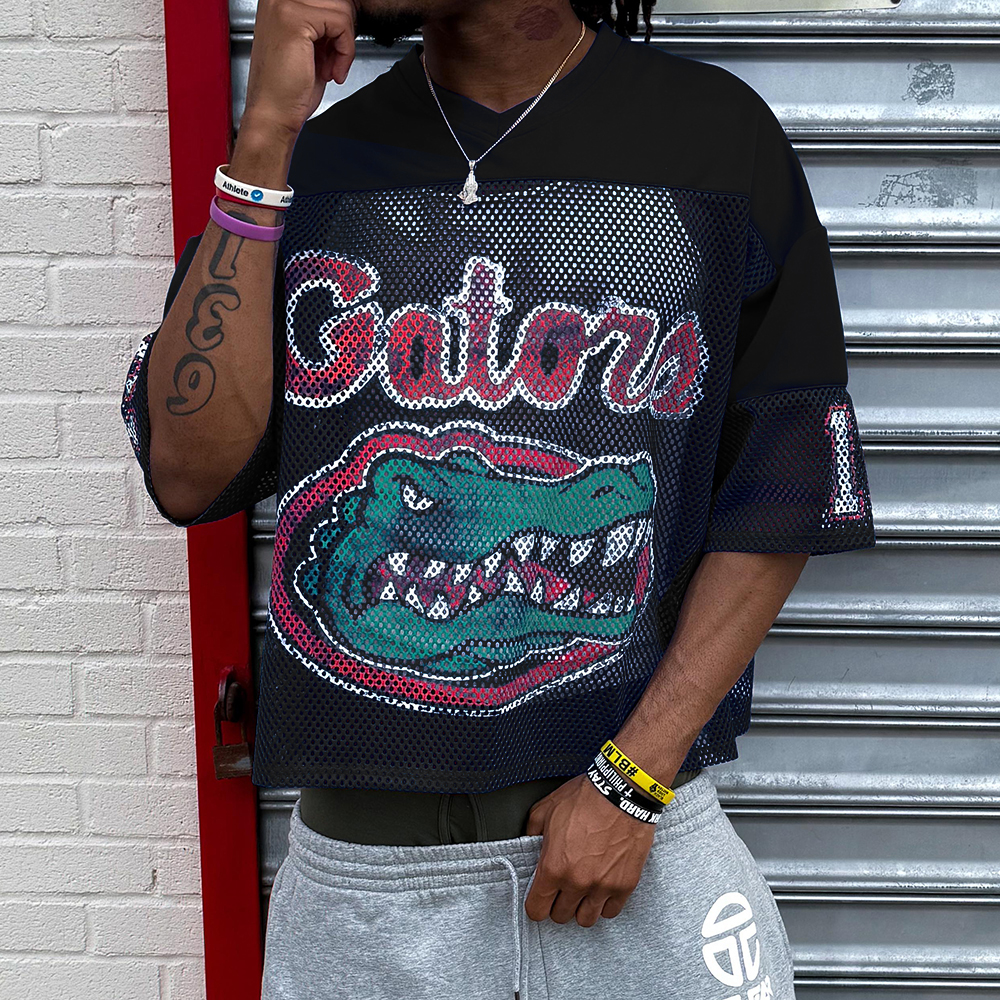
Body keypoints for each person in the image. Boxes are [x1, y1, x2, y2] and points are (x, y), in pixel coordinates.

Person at [120, 1, 876, 997]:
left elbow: (778, 492)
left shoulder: (712, 140)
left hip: (632, 846)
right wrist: (262, 138)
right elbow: (186, 474)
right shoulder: (315, 162)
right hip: (368, 886)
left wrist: (632, 781)